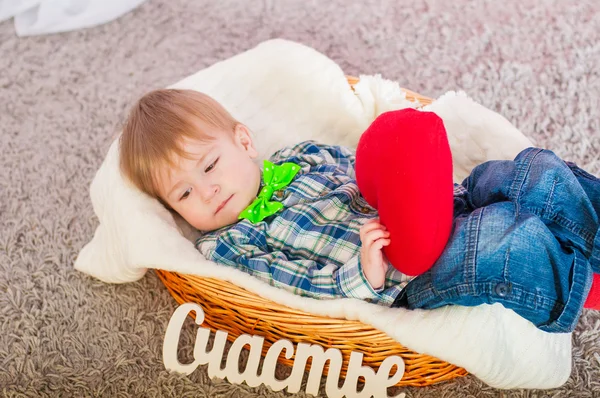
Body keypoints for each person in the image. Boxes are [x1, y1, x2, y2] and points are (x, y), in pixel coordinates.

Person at [119, 88, 600, 333]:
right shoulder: (228, 243)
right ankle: (592, 290)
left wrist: (420, 189)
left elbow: (369, 169)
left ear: (243, 141)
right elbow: (295, 284)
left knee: (524, 173)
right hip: (407, 271)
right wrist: (362, 275)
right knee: (501, 242)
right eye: (182, 195)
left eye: (209, 166)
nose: (206, 193)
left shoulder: (299, 154)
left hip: (439, 204)